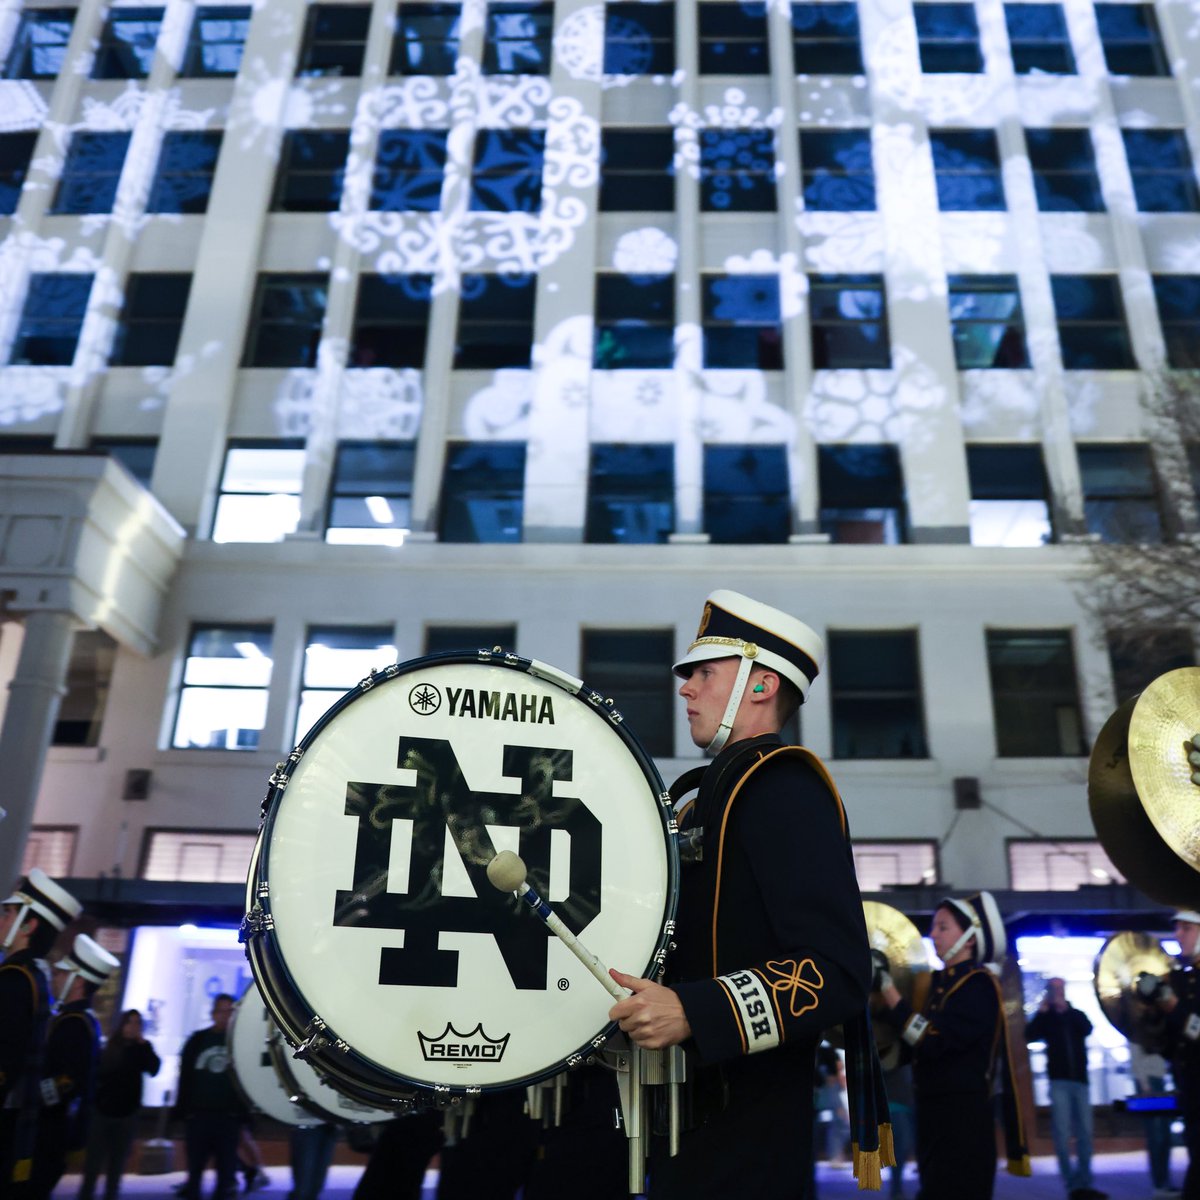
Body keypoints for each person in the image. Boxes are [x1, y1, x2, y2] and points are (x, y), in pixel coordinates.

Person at [607, 589, 890, 1198]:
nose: (685, 689)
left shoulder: (783, 788)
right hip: (689, 1113)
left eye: (704, 673)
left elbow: (837, 970)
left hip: (747, 1127)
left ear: (760, 686)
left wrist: (695, 1010)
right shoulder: (713, 793)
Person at [878, 892, 1030, 1200]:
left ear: (970, 939)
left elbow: (932, 1040)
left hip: (963, 1120)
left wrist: (890, 995)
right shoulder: (938, 985)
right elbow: (912, 1044)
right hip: (935, 1113)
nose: (933, 934)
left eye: (943, 927)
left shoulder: (978, 985)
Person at [0, 869, 83, 1195]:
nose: (1, 919)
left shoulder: (14, 980)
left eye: (8, 912)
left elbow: (5, 1062)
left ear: (28, 925)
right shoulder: (30, 976)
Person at [31, 934, 122, 1200]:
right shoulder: (76, 1020)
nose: (55, 978)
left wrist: (32, 1097)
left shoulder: (75, 1025)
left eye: (62, 974)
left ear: (78, 981)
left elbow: (68, 1080)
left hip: (49, 1130)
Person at [1024, 977, 1104, 1200]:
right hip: (1059, 1082)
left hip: (1080, 1080)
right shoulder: (1046, 1018)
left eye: (1060, 988)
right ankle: (1072, 1184)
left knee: (1085, 1133)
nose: (1058, 992)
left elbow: (1087, 1028)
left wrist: (1066, 1010)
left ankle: (1085, 1182)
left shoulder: (1075, 1015)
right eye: (1054, 989)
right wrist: (1042, 1011)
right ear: (1049, 991)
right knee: (1061, 1133)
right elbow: (1029, 1035)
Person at [78, 1009, 162, 1200]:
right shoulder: (109, 1049)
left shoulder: (141, 1049)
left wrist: (144, 1045)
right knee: (92, 1166)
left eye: (137, 1023)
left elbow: (154, 1068)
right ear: (122, 1025)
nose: (133, 1027)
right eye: (130, 1022)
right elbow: (97, 1076)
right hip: (103, 1113)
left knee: (116, 1168)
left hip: (127, 1115)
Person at [174, 994, 247, 1200]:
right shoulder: (198, 1040)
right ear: (213, 1013)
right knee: (195, 1171)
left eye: (229, 1011)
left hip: (228, 1117)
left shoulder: (239, 1043)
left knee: (225, 1175)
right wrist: (183, 1110)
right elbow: (185, 1076)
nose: (225, 1016)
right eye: (222, 1011)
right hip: (199, 1116)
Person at [1148, 909, 1200, 1200]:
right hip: (1190, 1084)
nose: (1178, 935)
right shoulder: (1180, 979)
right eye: (1178, 929)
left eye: (1187, 929)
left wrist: (1174, 1010)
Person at [1129, 1037, 1179, 1198]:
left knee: (1163, 1135)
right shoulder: (1138, 1025)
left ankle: (1163, 1182)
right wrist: (1143, 1083)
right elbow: (1135, 1052)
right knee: (1157, 1135)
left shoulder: (1153, 1024)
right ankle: (1159, 1183)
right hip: (1149, 1082)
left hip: (1158, 1079)